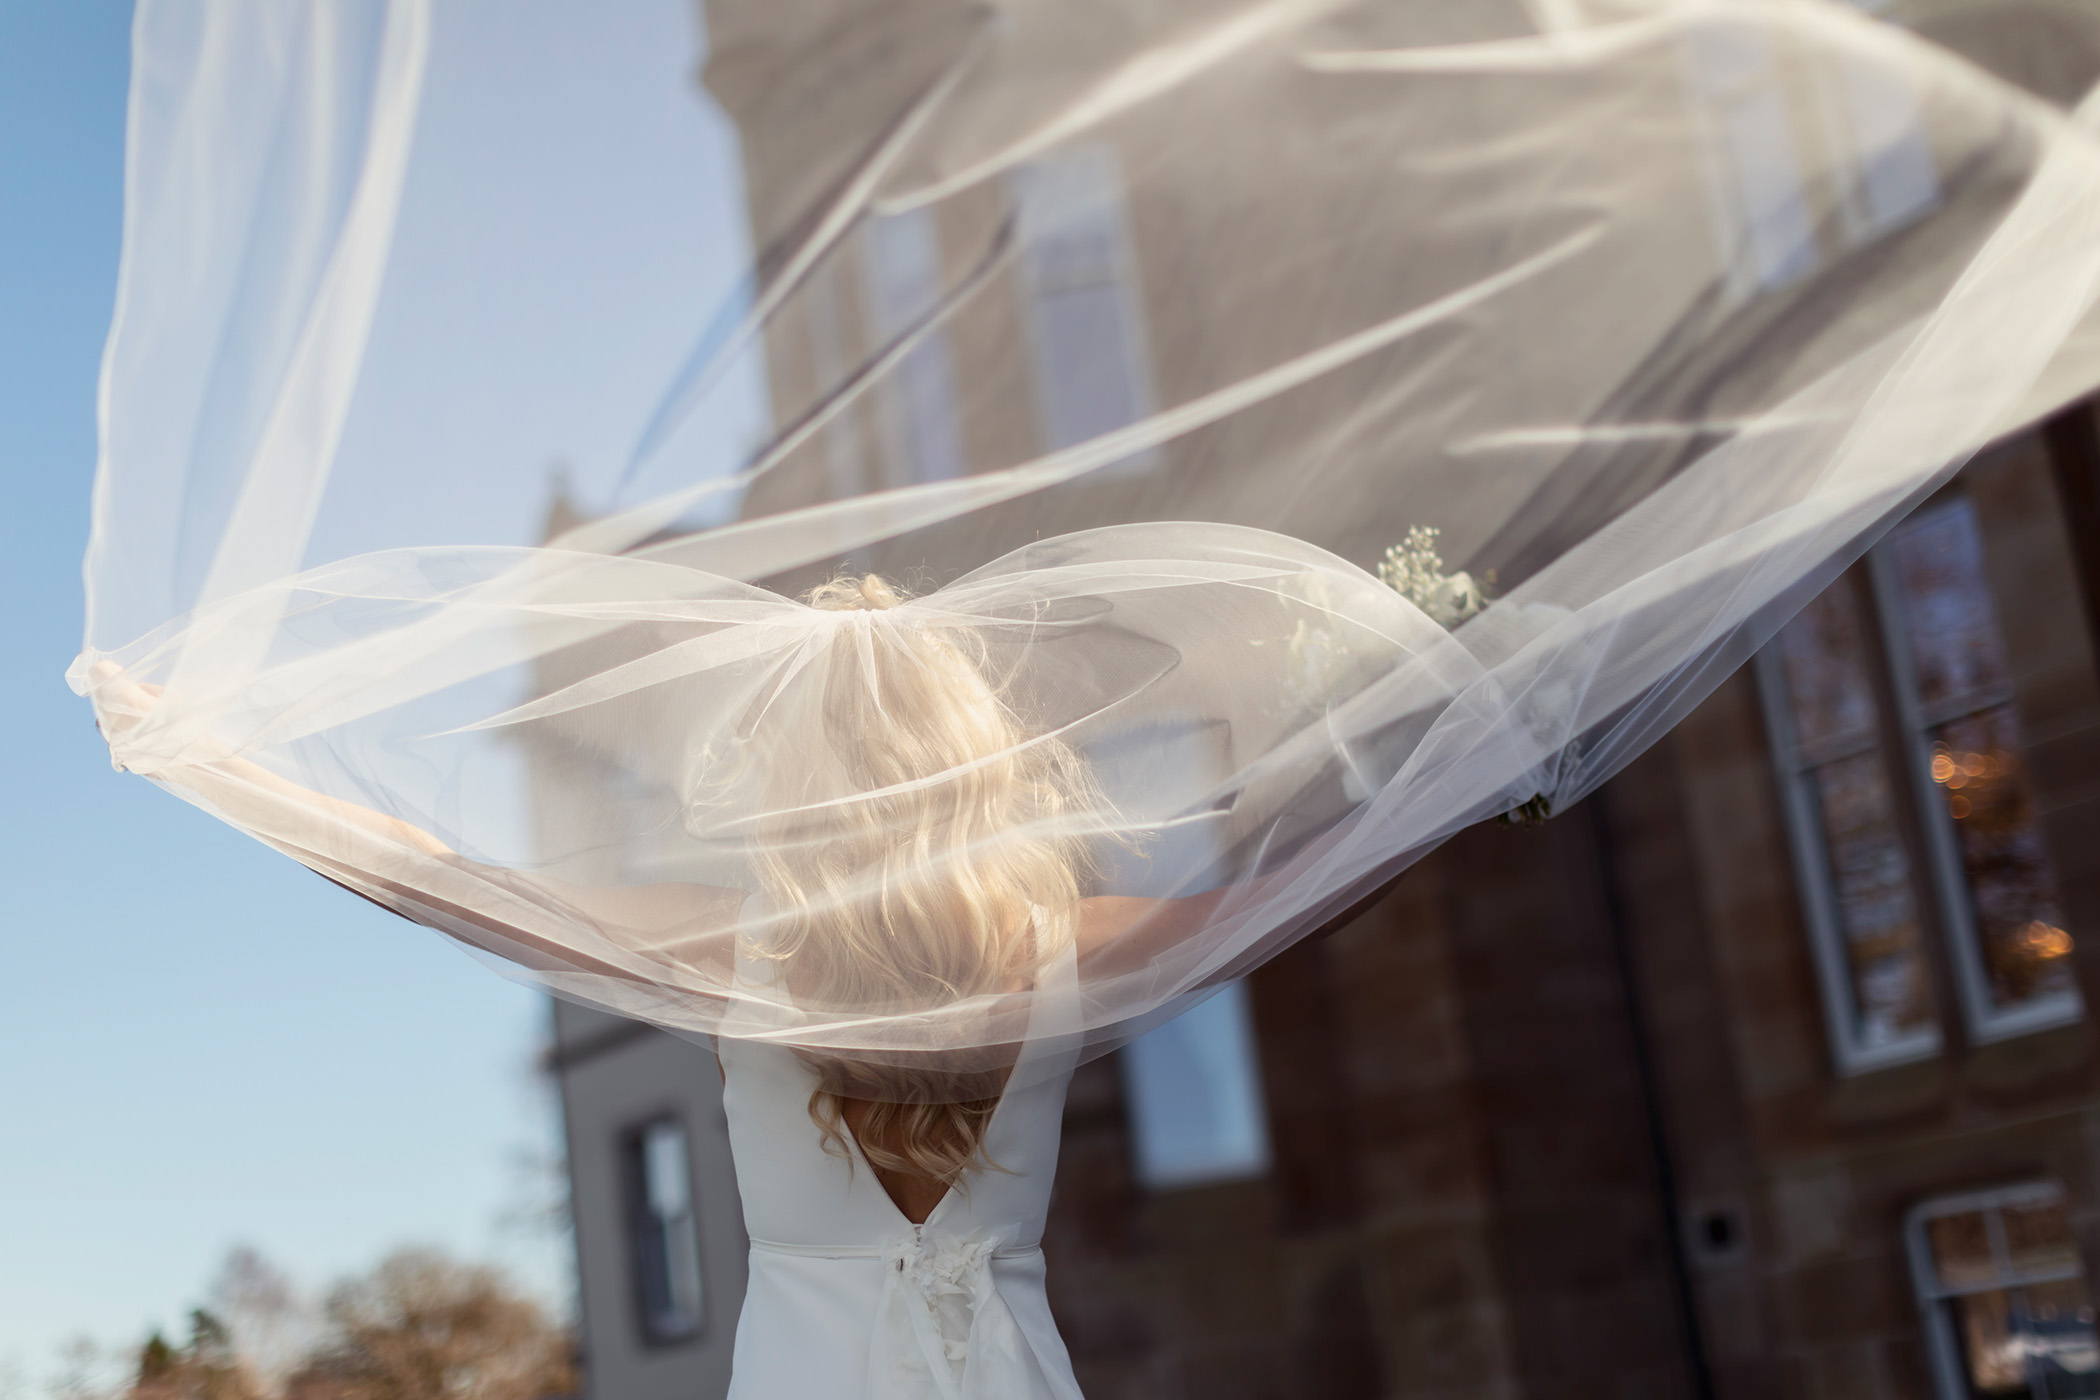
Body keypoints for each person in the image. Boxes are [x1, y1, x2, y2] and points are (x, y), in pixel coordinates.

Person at [90, 568, 1284, 1400]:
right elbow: (1299, 886)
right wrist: (1402, 736)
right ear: (973, 761)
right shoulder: (1069, 942)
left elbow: (433, 876)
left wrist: (198, 758)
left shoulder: (735, 947)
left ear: (800, 778)